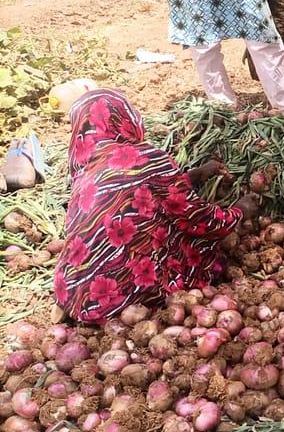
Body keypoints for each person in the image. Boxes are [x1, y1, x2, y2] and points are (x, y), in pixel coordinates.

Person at [53, 89, 260, 325]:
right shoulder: (146, 158)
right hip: (118, 300)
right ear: (124, 117)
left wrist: (196, 175)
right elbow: (195, 217)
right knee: (196, 246)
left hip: (72, 291)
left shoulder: (85, 167)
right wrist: (238, 212)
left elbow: (142, 194)